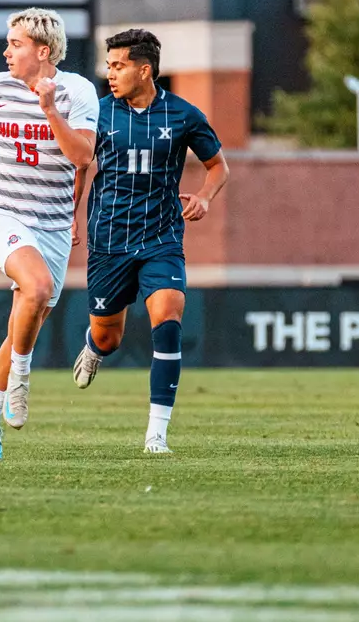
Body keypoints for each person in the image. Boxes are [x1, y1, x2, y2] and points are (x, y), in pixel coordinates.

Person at [72, 29, 229, 454]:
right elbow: (80, 166)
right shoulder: (97, 114)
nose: (110, 73)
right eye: (109, 65)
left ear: (145, 70)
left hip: (161, 237)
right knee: (109, 338)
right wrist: (71, 217)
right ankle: (93, 347)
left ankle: (156, 433)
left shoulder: (183, 115)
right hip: (109, 241)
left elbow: (218, 167)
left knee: (169, 313)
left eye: (118, 65)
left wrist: (203, 197)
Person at [0, 8, 99, 462]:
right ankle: (20, 378)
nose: (6, 51)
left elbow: (82, 157)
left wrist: (49, 109)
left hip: (54, 225)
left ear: (43, 50)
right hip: (6, 216)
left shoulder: (78, 91)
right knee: (34, 288)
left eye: (15, 43)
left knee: (26, 319)